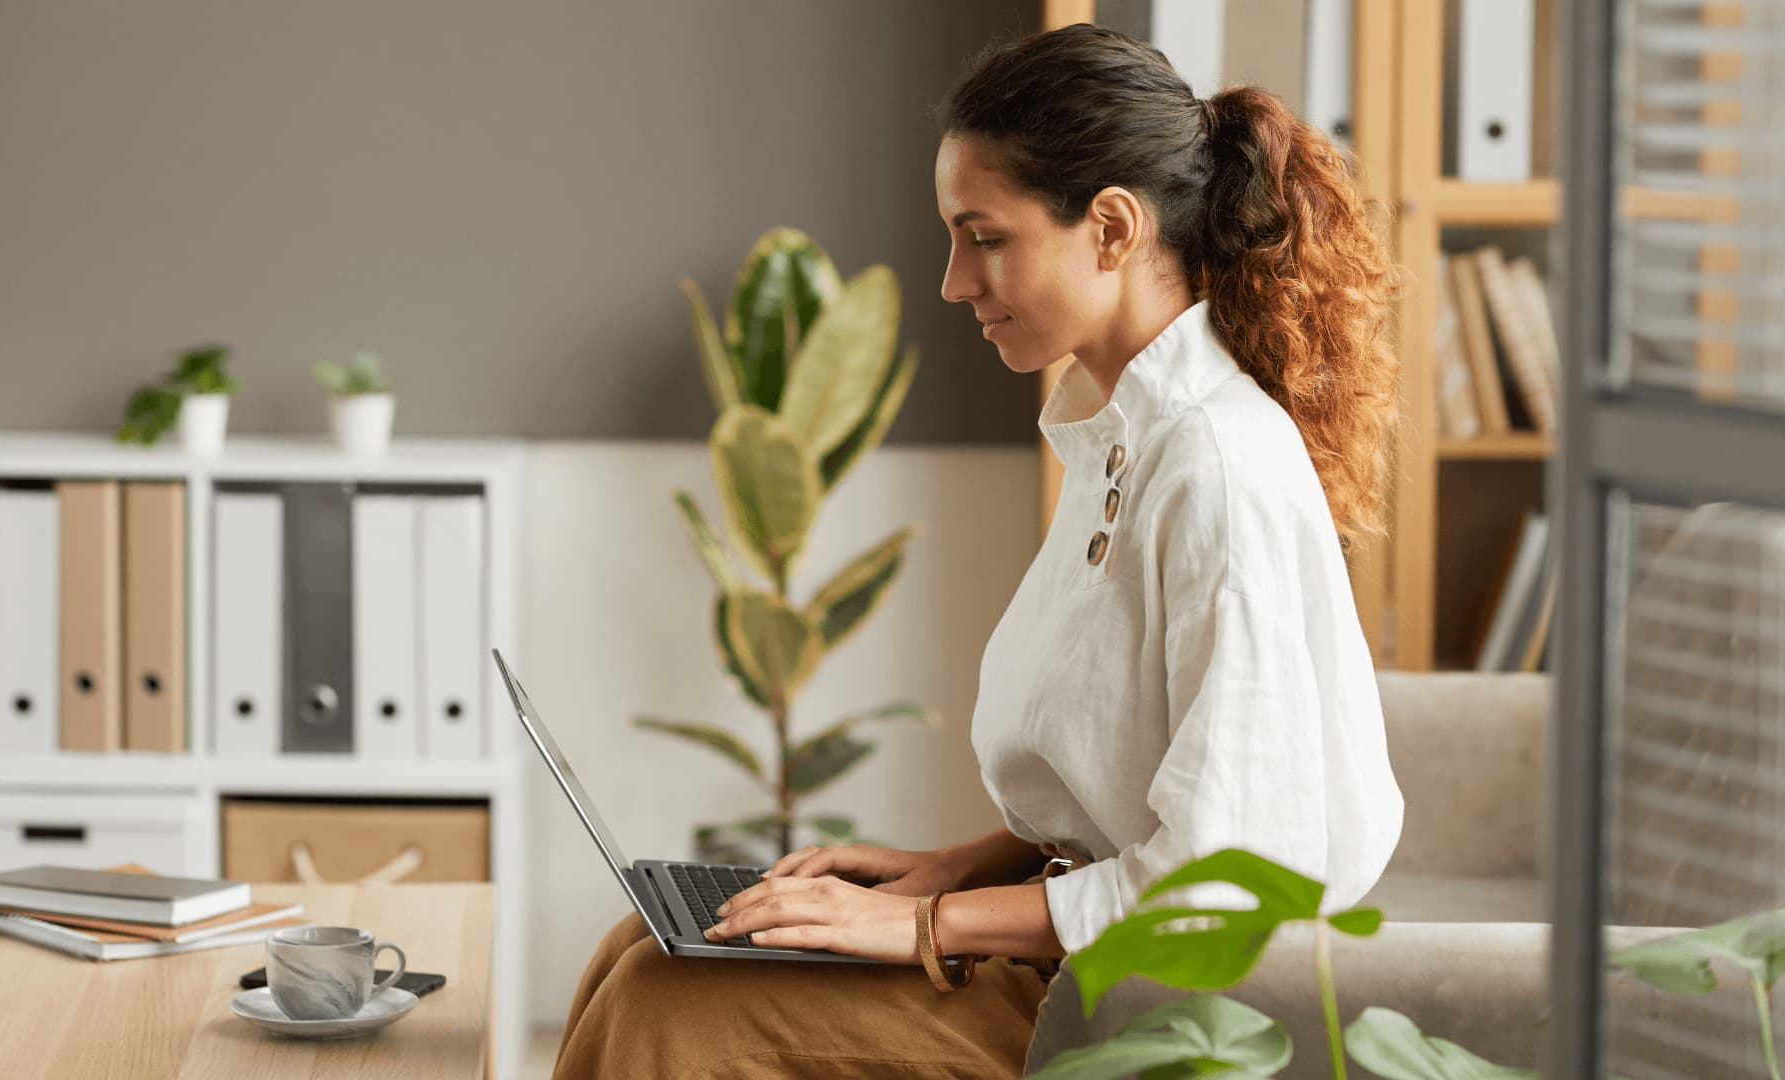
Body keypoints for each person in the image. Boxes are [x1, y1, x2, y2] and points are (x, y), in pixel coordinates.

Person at [551, 22, 1404, 1078]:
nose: (956, 282)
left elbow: (1223, 883)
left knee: (668, 1000)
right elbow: (1121, 791)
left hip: (1146, 1004)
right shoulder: (1119, 442)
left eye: (985, 237)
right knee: (643, 942)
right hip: (1074, 953)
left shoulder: (1215, 469)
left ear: (1110, 229)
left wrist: (927, 928)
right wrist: (942, 872)